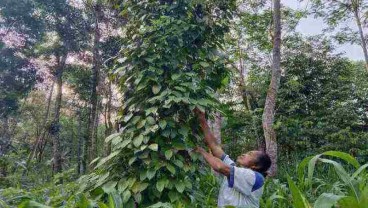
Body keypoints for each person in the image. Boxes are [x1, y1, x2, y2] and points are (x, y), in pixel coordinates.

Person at [194, 109, 271, 208]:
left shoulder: (254, 176)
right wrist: (202, 120)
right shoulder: (235, 169)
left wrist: (202, 151)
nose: (244, 154)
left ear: (255, 166)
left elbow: (220, 167)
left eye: (250, 154)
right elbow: (215, 147)